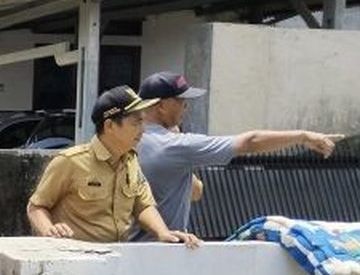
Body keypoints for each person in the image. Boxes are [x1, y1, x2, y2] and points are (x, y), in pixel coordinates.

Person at [131, 71, 343, 238]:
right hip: (160, 251)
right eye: (181, 101)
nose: (186, 107)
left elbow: (195, 192)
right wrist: (303, 136)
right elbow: (250, 142)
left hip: (125, 246)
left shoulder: (128, 140)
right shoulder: (176, 145)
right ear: (161, 105)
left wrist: (183, 163)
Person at [27, 86, 201, 247]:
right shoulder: (70, 161)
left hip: (117, 260)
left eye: (143, 122)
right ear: (110, 125)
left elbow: (143, 205)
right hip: (76, 260)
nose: (142, 130)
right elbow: (36, 207)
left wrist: (164, 233)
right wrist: (49, 231)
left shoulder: (131, 161)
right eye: (135, 123)